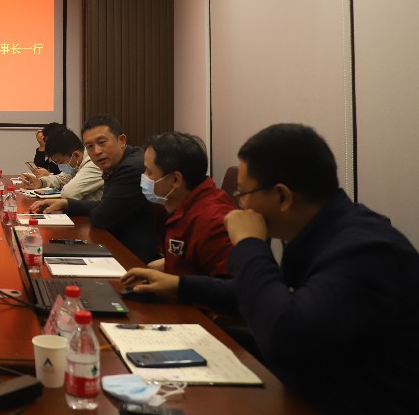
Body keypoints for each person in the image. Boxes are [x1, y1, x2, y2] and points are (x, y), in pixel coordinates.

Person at [122, 123, 419, 413]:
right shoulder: (317, 234)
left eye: (243, 194)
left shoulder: (362, 250)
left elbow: (286, 338)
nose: (239, 206)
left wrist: (250, 243)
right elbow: (267, 294)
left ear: (282, 196)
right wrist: (180, 285)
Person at [30, 115, 159, 263]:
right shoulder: (115, 162)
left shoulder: (131, 167)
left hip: (133, 257)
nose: (97, 151)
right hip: (117, 244)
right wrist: (67, 204)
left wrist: (76, 204)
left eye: (102, 142)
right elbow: (105, 206)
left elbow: (102, 217)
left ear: (121, 141)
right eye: (90, 146)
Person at [127, 131, 235, 277]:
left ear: (175, 180)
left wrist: (175, 284)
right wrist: (168, 264)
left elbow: (229, 286)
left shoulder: (213, 221)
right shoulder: (169, 203)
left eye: (149, 172)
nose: (144, 177)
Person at [20, 127, 104, 201]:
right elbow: (61, 179)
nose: (60, 167)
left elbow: (69, 193)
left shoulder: (94, 164)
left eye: (61, 162)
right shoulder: (77, 162)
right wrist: (40, 182)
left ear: (76, 155)